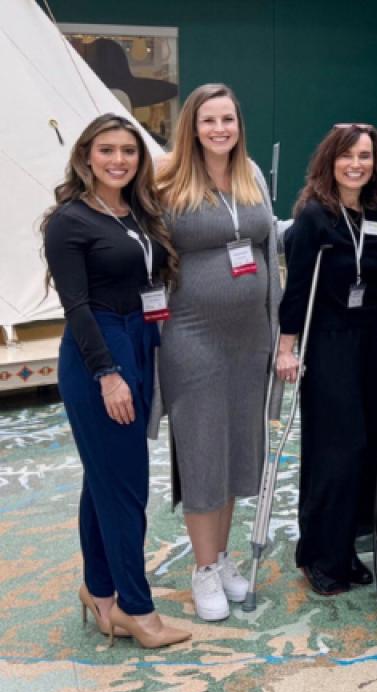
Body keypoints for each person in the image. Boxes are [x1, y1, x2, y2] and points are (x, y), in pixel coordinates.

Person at [43, 113, 190, 648]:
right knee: (126, 487)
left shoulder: (135, 210)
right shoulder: (69, 221)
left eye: (129, 150)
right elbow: (76, 307)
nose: (119, 160)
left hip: (138, 339)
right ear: (86, 156)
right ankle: (136, 609)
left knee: (102, 479)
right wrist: (108, 375)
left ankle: (99, 587)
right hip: (98, 351)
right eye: (107, 150)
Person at [155, 84, 281, 621]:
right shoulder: (167, 179)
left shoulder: (251, 174)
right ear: (193, 125)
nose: (220, 129)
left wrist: (280, 327)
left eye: (227, 118)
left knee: (235, 449)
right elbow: (152, 259)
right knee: (203, 450)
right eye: (209, 120)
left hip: (248, 339)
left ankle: (223, 556)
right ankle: (203, 568)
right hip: (192, 337)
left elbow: (267, 248)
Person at [275, 124, 377, 596]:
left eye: (365, 156)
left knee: (370, 442)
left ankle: (347, 546)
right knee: (335, 447)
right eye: (347, 156)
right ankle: (319, 552)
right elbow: (297, 286)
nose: (356, 164)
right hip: (328, 340)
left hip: (371, 341)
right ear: (330, 161)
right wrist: (287, 346)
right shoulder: (313, 217)